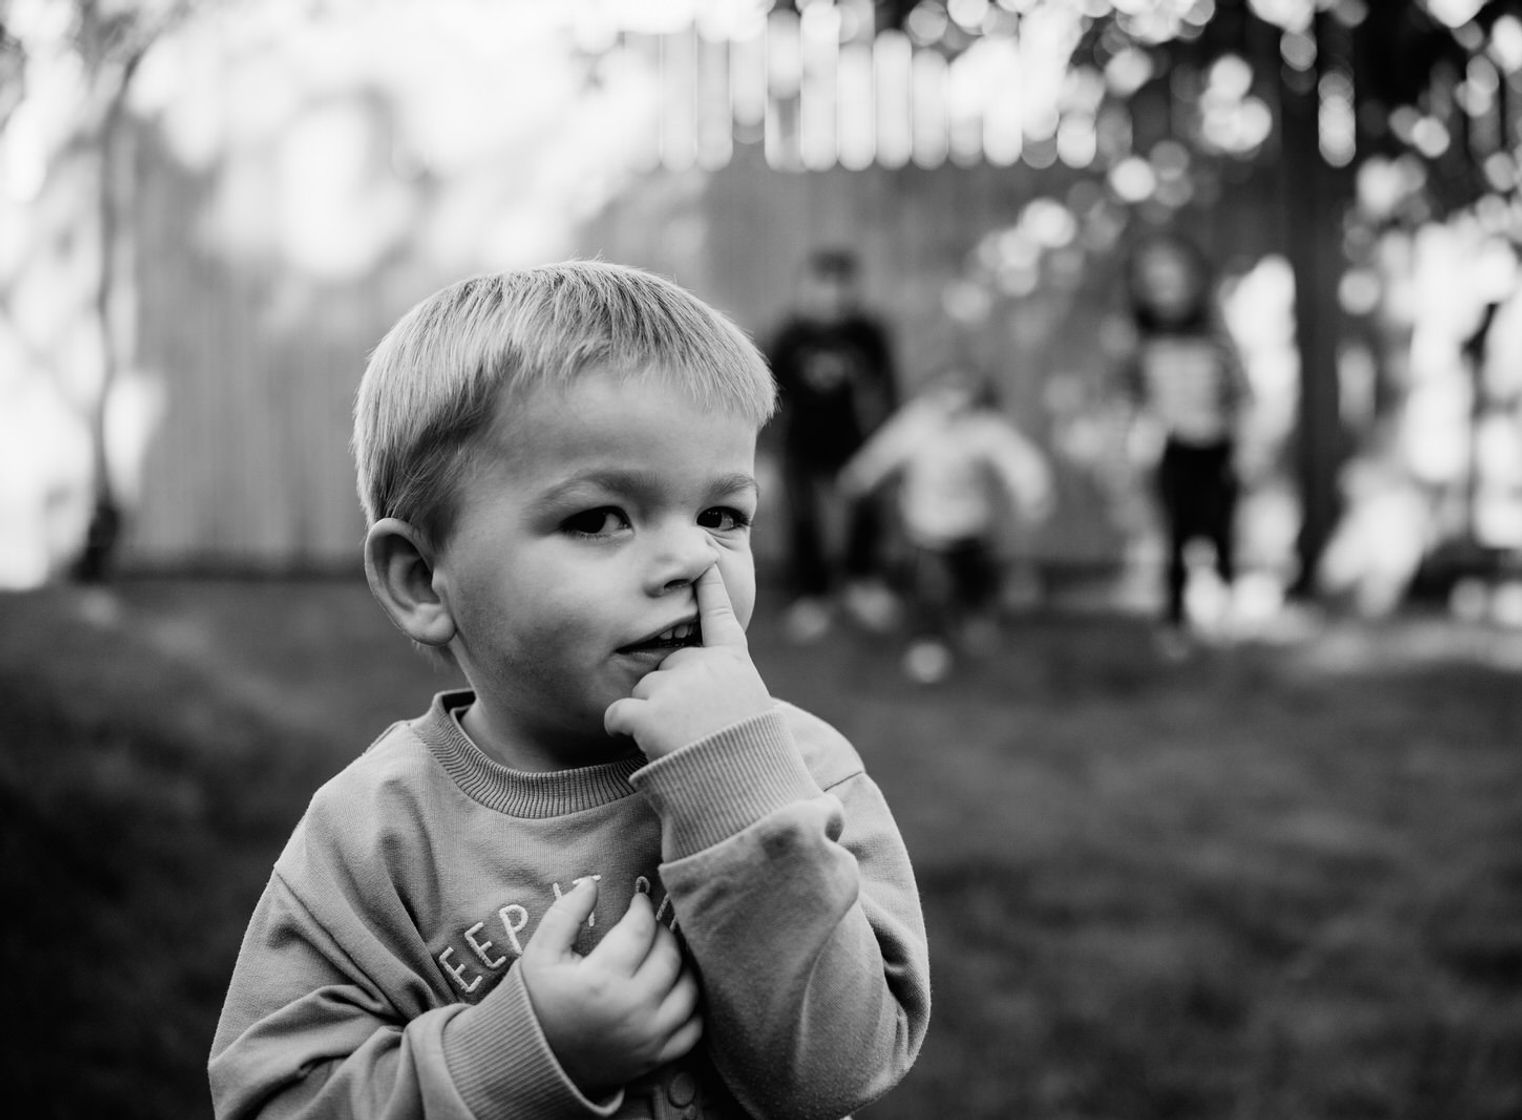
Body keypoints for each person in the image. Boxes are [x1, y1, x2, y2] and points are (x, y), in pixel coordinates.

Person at [208, 263, 930, 1120]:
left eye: (722, 517)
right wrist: (510, 1062)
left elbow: (839, 1070)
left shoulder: (803, 771)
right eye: (597, 519)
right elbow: (273, 1098)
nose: (693, 560)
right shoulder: (376, 832)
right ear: (424, 581)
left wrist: (734, 787)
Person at [840, 366, 1054, 684]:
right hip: (926, 527)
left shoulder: (985, 428)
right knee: (929, 587)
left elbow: (1019, 459)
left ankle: (974, 618)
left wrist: (1032, 492)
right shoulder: (918, 422)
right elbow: (886, 450)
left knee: (974, 579)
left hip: (971, 525)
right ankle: (928, 642)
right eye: (947, 390)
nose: (953, 401)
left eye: (962, 391)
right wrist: (861, 475)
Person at [1122, 232, 1251, 656]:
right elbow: (1135, 398)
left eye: (1174, 280)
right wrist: (1137, 437)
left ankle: (1226, 613)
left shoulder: (1216, 338)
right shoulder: (1140, 342)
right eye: (1156, 282)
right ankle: (1175, 621)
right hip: (1173, 449)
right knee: (1176, 536)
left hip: (1217, 447)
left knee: (1220, 532)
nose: (1167, 291)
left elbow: (1240, 393)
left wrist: (1247, 444)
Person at [767, 247, 900, 642]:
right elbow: (771, 397)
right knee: (804, 519)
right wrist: (765, 453)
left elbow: (887, 390)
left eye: (840, 285)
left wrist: (887, 448)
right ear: (806, 287)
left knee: (866, 514)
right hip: (800, 445)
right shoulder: (789, 335)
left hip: (855, 443)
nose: (832, 295)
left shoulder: (867, 333)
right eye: (822, 284)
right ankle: (812, 595)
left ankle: (861, 584)